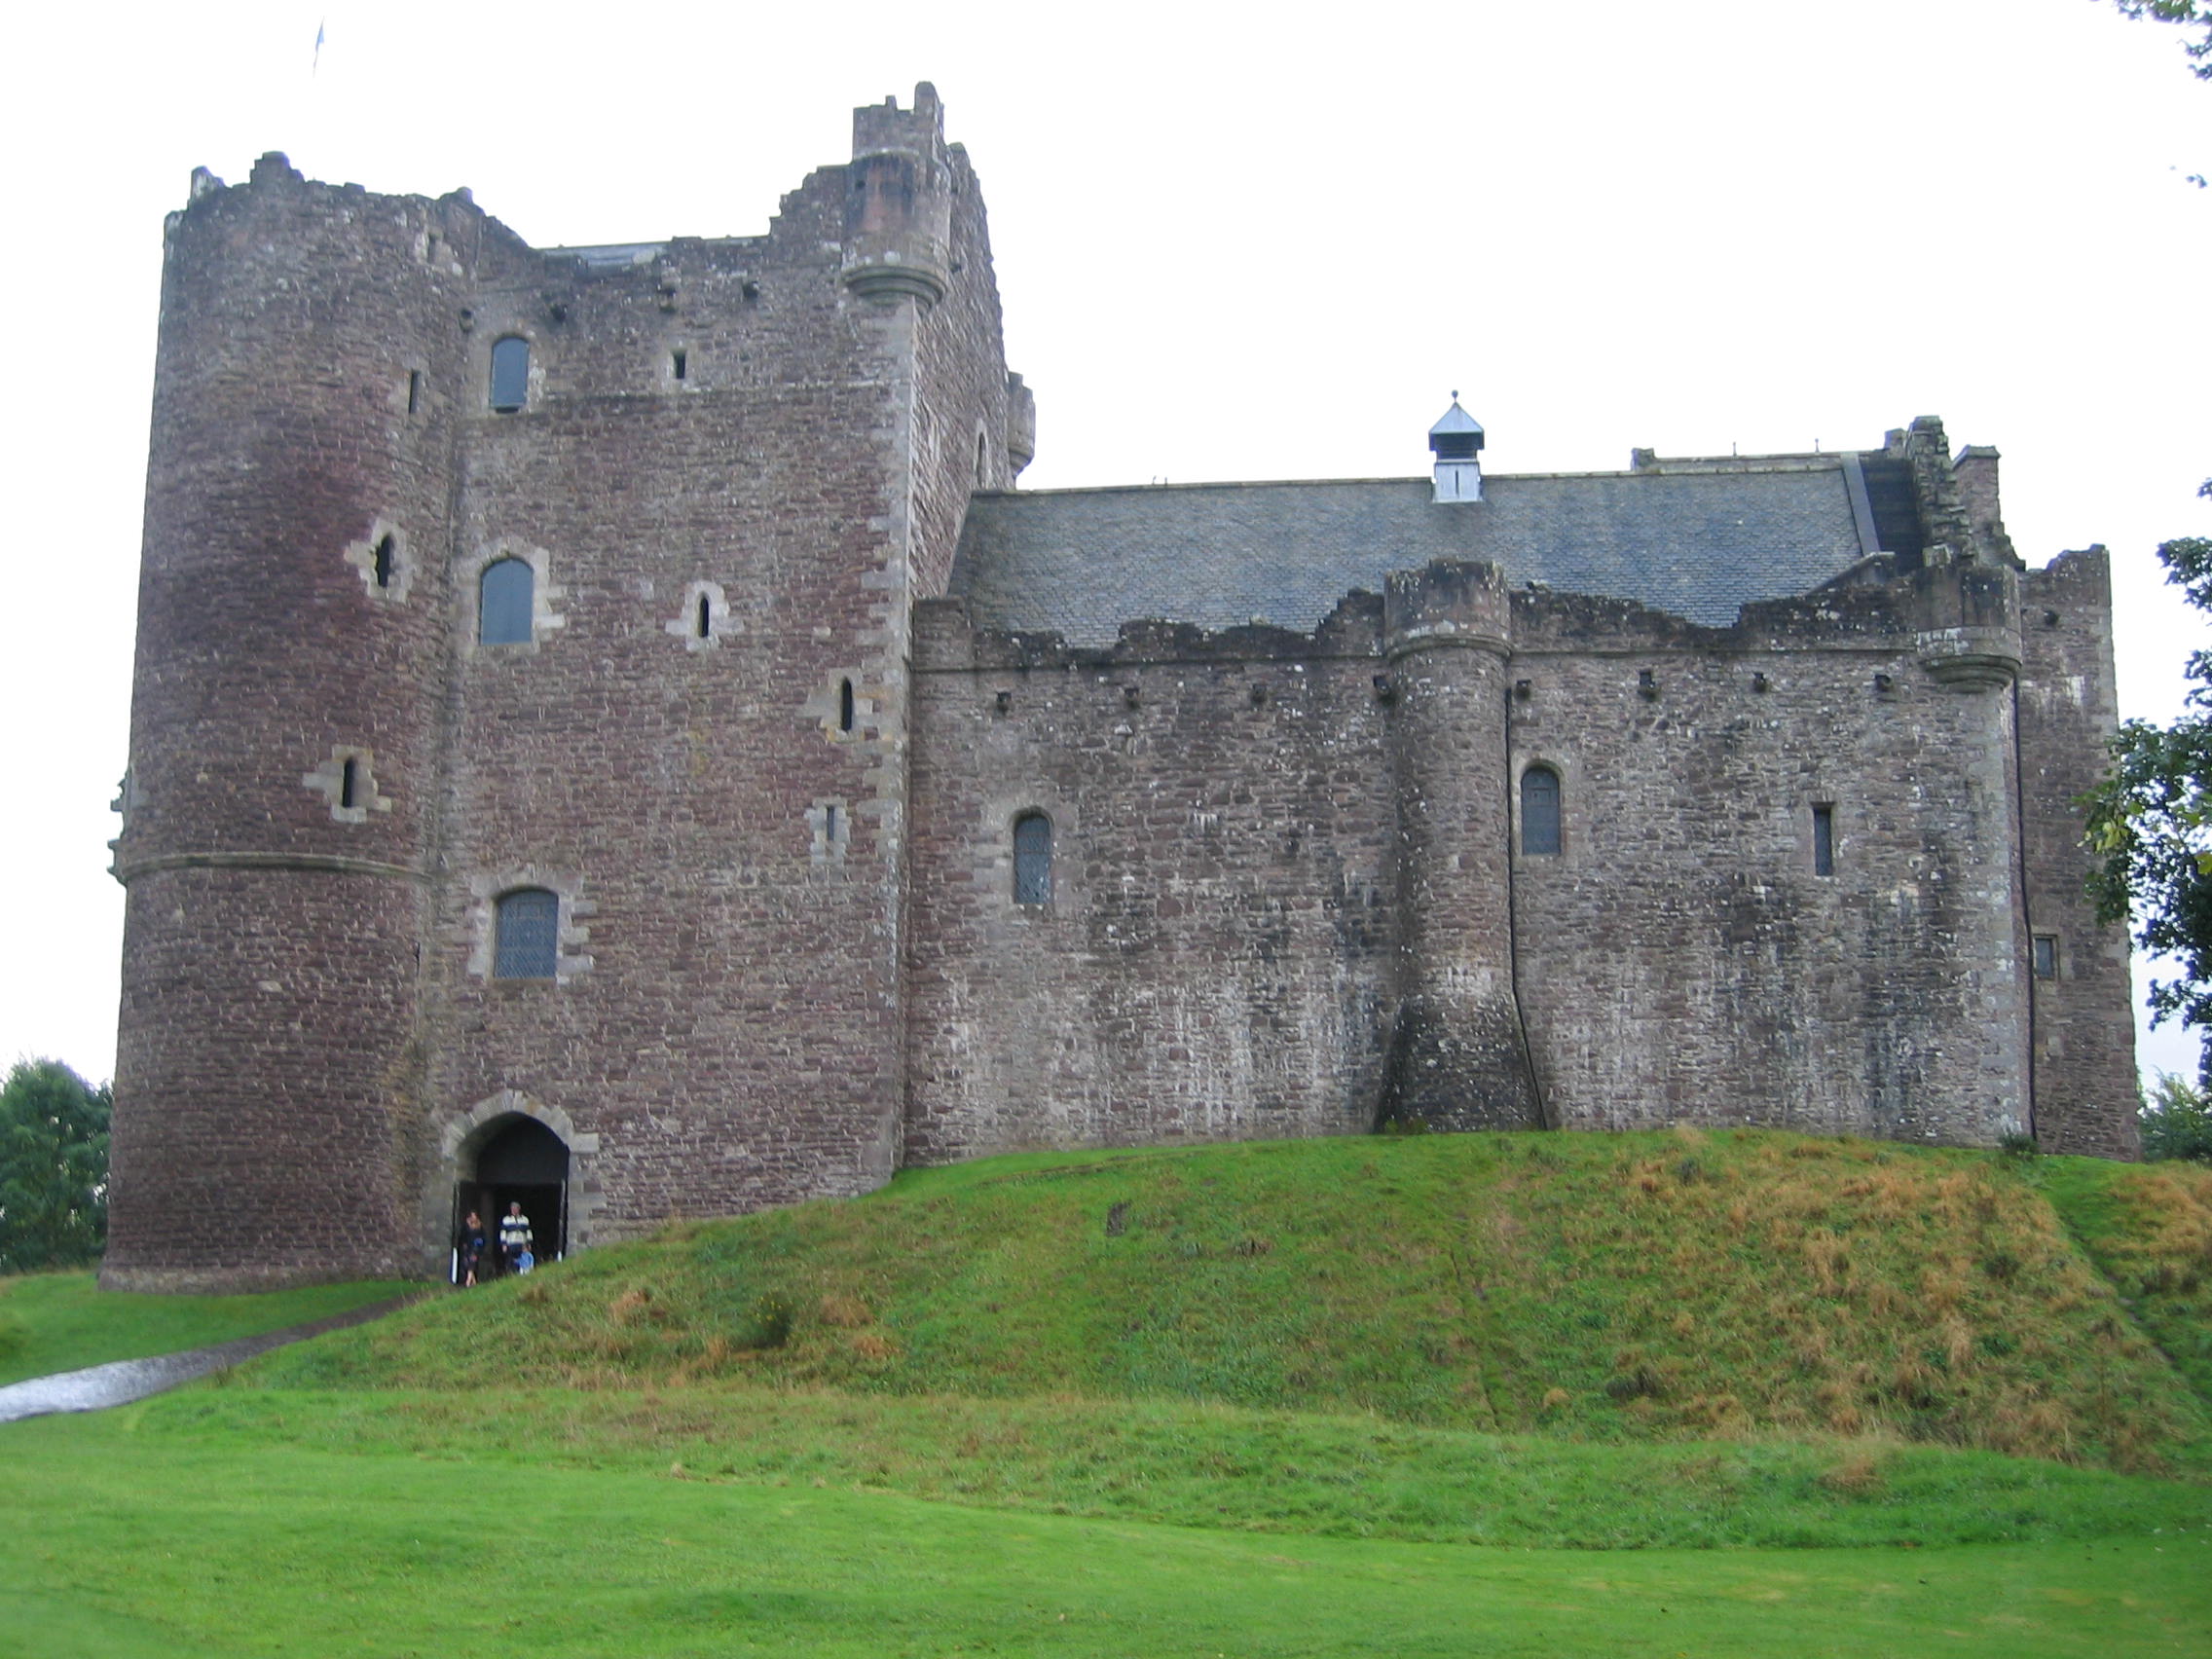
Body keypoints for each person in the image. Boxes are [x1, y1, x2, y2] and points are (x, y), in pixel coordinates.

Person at [498, 1201, 534, 1275]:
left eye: (515, 1208)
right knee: (510, 1261)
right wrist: (503, 1244)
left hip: (522, 1244)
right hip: (510, 1244)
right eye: (512, 1209)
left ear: (519, 1209)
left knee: (523, 1260)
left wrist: (529, 1243)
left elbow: (528, 1232)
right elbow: (503, 1233)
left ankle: (522, 1274)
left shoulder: (525, 1220)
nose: (514, 1210)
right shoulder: (506, 1220)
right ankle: (510, 1274)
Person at [456, 1209, 487, 1288]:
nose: (473, 1218)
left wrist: (480, 1246)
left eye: (474, 1216)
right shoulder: (466, 1225)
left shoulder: (480, 1226)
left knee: (472, 1263)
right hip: (467, 1248)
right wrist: (463, 1244)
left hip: (476, 1248)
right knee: (467, 1263)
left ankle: (468, 1281)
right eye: (472, 1216)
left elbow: (483, 1237)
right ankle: (474, 1281)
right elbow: (462, 1235)